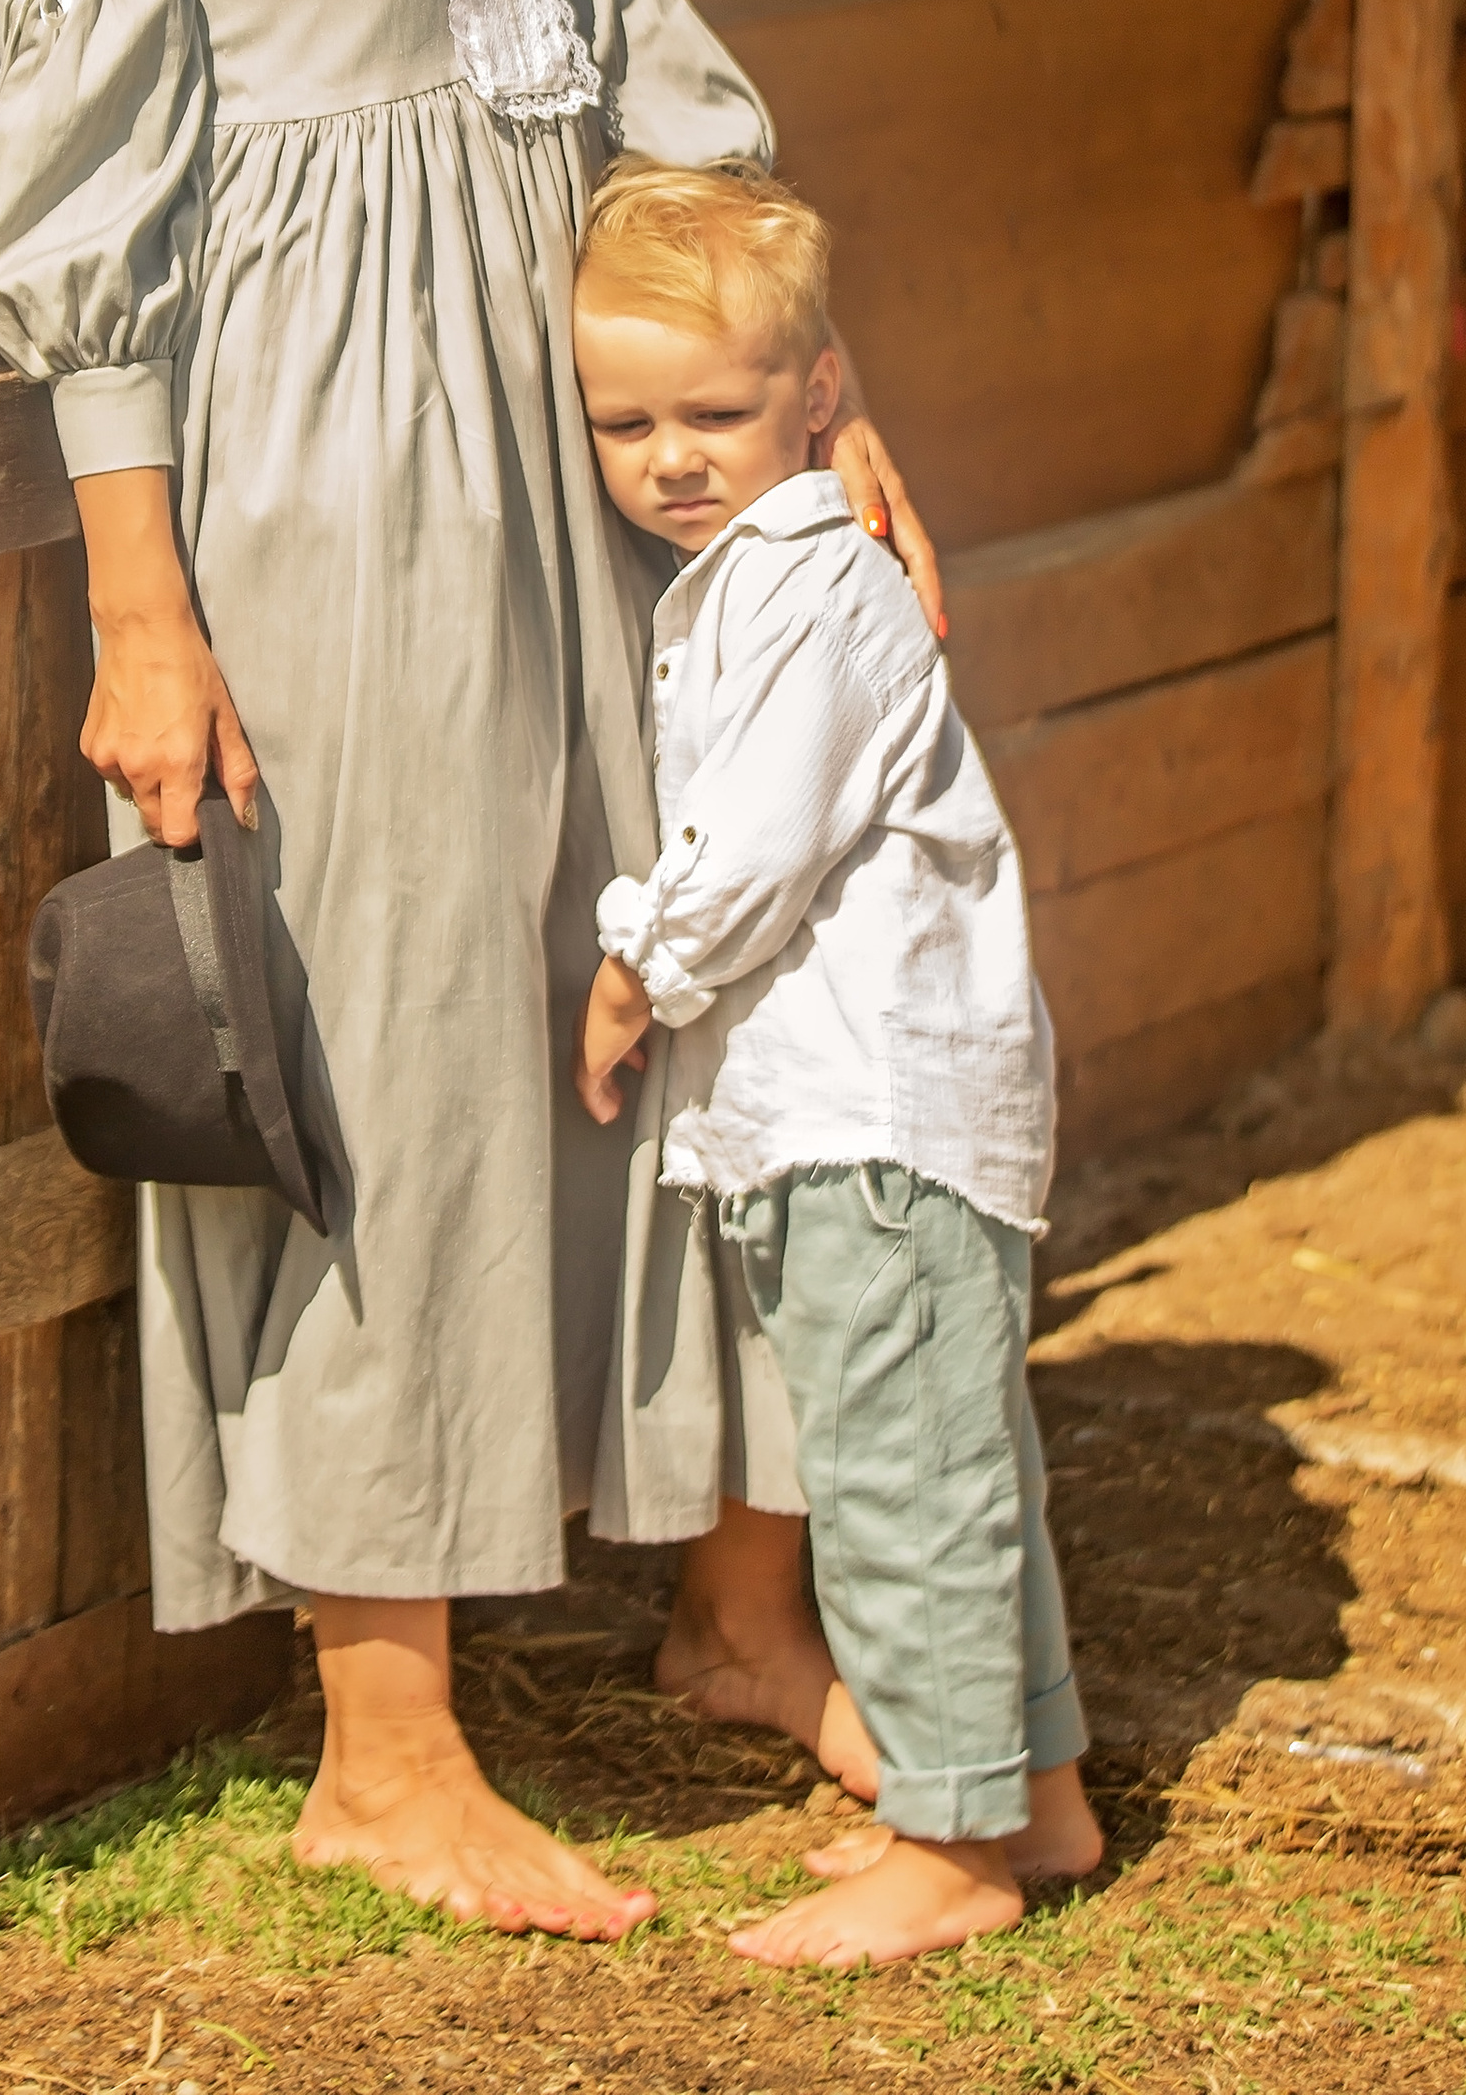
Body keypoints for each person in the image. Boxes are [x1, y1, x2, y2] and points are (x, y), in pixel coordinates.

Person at [0, 0, 939, 1939]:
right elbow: (80, 167)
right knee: (385, 1004)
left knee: (682, 948)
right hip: (334, 428)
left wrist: (807, 371)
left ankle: (738, 1614)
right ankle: (383, 1744)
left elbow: (610, 23)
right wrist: (140, 598)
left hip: (578, 394)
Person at [572, 156, 1103, 1967]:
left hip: (881, 1122)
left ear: (817, 395)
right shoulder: (747, 580)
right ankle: (1034, 1791)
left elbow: (758, 842)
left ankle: (951, 1851)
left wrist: (638, 971)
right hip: (866, 1119)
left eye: (714, 416)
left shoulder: (815, 591)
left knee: (901, 1484)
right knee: (959, 1456)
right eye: (627, 424)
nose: (672, 459)